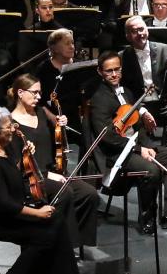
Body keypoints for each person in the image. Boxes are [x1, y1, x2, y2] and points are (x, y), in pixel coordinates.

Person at [0, 107, 85, 274]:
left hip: (7, 212)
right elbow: (4, 203)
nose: (13, 128)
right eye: (8, 126)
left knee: (57, 220)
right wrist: (37, 214)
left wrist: (24, 158)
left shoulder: (1, 151)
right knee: (46, 234)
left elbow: (13, 179)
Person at [88, 53, 167, 233]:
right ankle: (147, 218)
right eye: (109, 71)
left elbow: (138, 128)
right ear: (100, 72)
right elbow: (107, 137)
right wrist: (138, 149)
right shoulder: (99, 99)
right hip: (116, 152)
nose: (114, 74)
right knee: (150, 171)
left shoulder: (127, 92)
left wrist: (148, 147)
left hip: (135, 146)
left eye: (117, 69)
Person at [6, 74, 98, 245]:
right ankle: (64, 245)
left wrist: (61, 122)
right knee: (66, 193)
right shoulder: (10, 124)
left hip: (53, 171)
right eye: (34, 93)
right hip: (31, 178)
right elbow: (16, 165)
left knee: (89, 194)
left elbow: (58, 131)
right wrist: (47, 175)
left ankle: (75, 239)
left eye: (40, 93)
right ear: (20, 92)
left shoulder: (41, 112)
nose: (39, 97)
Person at [119, 16, 167, 94]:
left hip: (162, 99)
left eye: (141, 29)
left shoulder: (165, 50)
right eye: (134, 31)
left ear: (147, 30)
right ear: (128, 36)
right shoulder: (122, 57)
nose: (140, 34)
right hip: (137, 102)